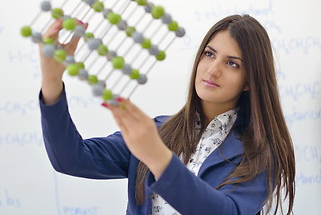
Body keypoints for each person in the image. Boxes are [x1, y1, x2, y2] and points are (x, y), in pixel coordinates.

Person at [38, 14, 295, 214]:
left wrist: (158, 157)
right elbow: (71, 159)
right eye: (209, 54)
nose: (212, 70)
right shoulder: (158, 132)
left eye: (232, 63)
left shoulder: (260, 153)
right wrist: (51, 82)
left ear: (250, 80)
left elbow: (225, 211)